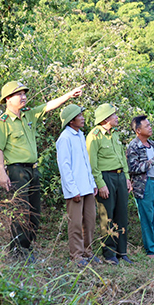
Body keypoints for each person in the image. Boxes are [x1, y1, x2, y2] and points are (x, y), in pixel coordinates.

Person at [0, 81, 83, 261]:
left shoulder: (29, 114)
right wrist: (2, 173)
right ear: (8, 99)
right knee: (21, 211)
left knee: (35, 212)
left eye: (24, 94)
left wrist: (68, 95)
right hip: (16, 171)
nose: (24, 97)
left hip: (33, 170)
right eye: (19, 94)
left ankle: (27, 246)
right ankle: (19, 251)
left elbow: (49, 105)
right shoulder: (2, 123)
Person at [87, 104, 133, 265]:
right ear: (106, 118)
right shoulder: (94, 136)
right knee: (107, 216)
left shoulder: (115, 135)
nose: (117, 117)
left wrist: (127, 178)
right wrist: (100, 184)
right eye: (114, 115)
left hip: (120, 177)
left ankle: (122, 252)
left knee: (122, 215)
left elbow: (122, 157)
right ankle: (110, 253)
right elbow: (92, 164)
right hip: (106, 178)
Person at [56, 104, 98, 266]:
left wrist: (92, 183)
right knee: (75, 223)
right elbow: (64, 167)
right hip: (75, 190)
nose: (82, 118)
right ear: (71, 120)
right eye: (79, 115)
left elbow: (85, 163)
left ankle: (88, 252)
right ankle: (76, 255)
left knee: (90, 221)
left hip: (87, 187)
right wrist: (73, 190)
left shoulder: (80, 135)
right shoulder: (65, 138)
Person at [126, 115, 154, 259]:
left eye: (150, 125)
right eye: (147, 126)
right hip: (144, 186)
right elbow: (132, 168)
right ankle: (150, 251)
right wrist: (151, 162)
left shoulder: (153, 144)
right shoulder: (133, 146)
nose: (150, 128)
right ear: (138, 130)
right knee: (147, 218)